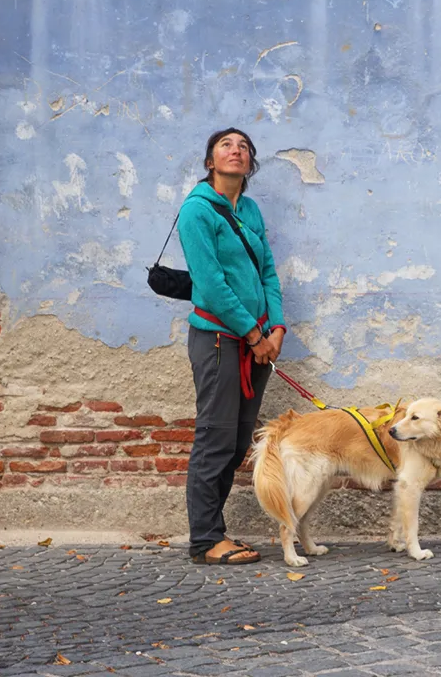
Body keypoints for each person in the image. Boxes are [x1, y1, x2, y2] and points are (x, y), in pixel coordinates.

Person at [178, 128, 286, 565]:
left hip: (258, 342)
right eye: (226, 145)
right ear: (210, 162)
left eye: (243, 146)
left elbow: (268, 273)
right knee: (215, 438)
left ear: (250, 162)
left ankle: (214, 530)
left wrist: (276, 328)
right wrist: (254, 334)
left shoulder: (251, 209)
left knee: (238, 440)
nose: (235, 150)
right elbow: (211, 285)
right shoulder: (196, 212)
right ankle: (205, 539)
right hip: (221, 341)